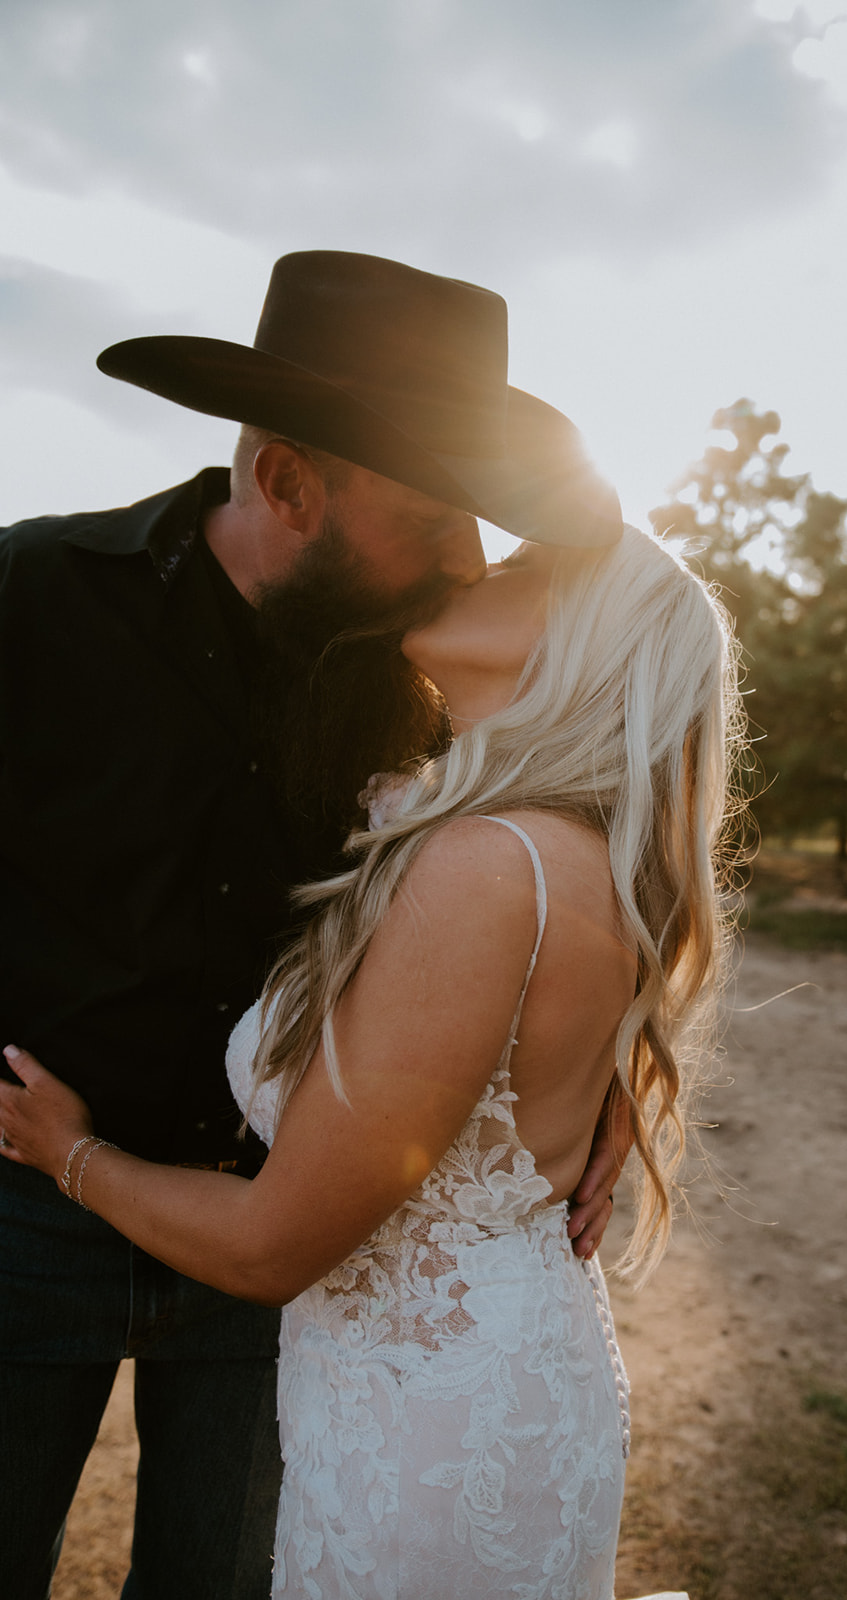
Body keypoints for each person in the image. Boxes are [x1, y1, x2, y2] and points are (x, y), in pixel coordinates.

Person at [0, 251, 624, 1600]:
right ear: (288, 482)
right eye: (436, 517)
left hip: (290, 1246)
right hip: (17, 1217)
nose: (469, 560)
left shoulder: (434, 670)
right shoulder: (29, 596)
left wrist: (593, 1072)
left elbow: (554, 873)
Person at [0, 514, 743, 1599]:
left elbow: (270, 1249)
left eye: (528, 564)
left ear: (584, 635)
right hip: (476, 1376)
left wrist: (65, 1150)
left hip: (428, 1422)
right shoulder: (556, 844)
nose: (480, 557)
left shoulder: (487, 862)